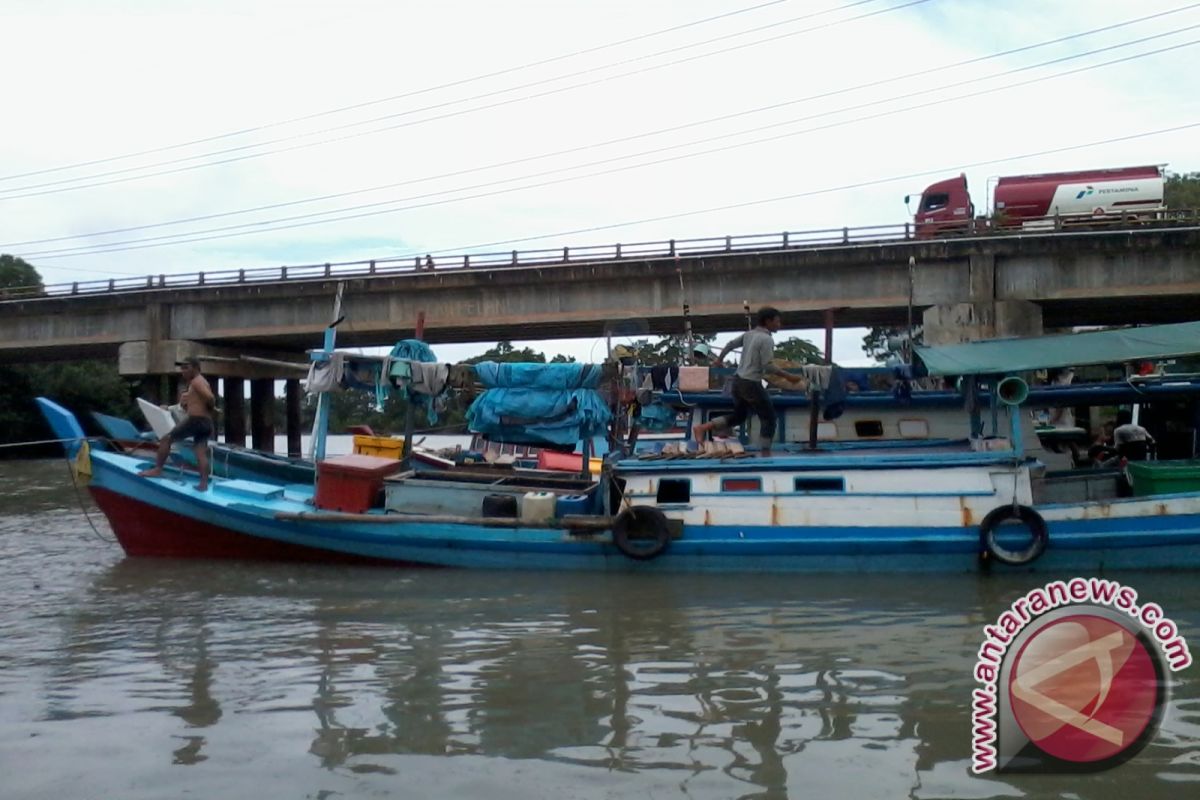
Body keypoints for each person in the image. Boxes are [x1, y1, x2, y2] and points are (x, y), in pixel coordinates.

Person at [691, 307, 804, 457]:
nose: (779, 324)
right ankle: (765, 452)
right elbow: (768, 365)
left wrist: (720, 359)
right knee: (769, 417)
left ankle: (703, 427)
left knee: (740, 416)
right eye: (777, 321)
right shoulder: (766, 339)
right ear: (768, 321)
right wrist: (789, 377)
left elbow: (730, 344)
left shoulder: (749, 335)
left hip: (737, 381)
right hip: (750, 383)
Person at [138, 356, 216, 490]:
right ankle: (203, 484)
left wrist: (210, 405)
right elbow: (205, 400)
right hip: (206, 422)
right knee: (200, 452)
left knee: (166, 439)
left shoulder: (196, 382)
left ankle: (157, 469)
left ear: (196, 368)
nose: (183, 371)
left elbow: (210, 398)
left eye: (186, 368)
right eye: (182, 368)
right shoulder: (202, 381)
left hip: (196, 420)